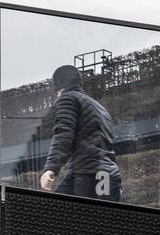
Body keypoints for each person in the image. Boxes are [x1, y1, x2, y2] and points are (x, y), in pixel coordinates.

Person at [39, 65, 123, 202]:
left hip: (87, 175)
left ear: (58, 86)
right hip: (108, 176)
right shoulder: (100, 108)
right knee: (100, 219)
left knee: (49, 215)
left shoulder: (67, 99)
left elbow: (63, 134)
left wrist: (50, 168)